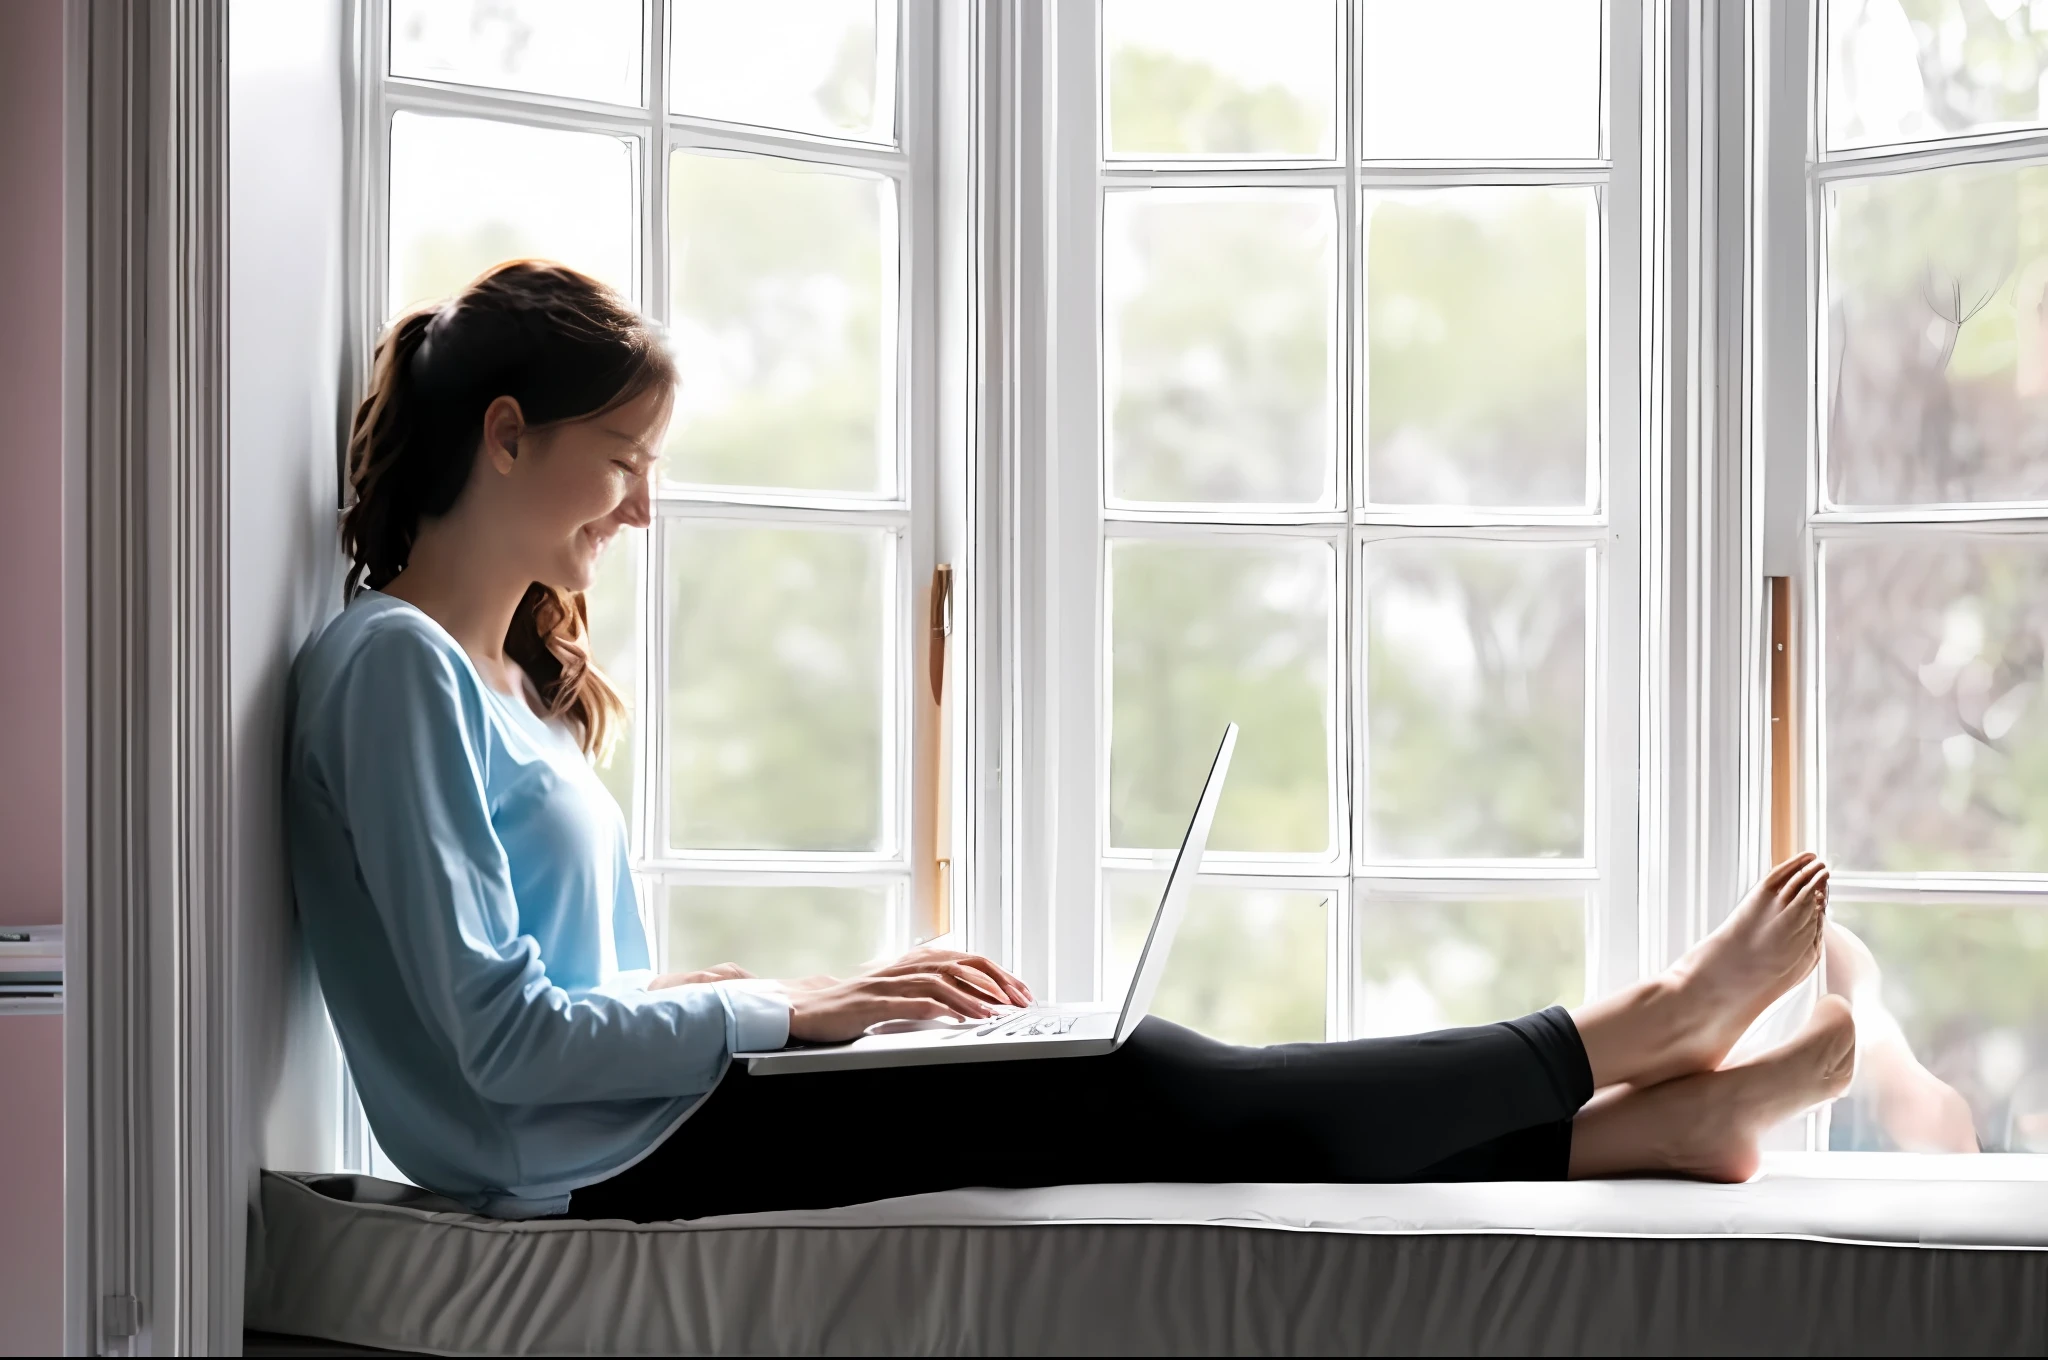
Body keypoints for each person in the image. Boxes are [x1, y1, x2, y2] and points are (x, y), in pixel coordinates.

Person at [285, 260, 1856, 1225]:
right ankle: (1627, 1036)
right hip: (600, 1170)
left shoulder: (492, 682)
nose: (641, 505)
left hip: (642, 1128)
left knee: (1133, 1079)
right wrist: (788, 1010)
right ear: (506, 432)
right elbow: (498, 1051)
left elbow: (553, 1000)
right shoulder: (389, 671)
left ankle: (1651, 1122)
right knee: (1144, 1079)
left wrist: (713, 998)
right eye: (622, 461)